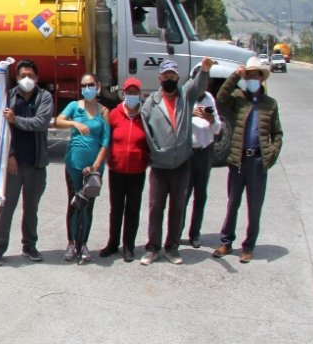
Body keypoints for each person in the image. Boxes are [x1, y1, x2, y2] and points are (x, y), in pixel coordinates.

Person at [139, 57, 215, 265]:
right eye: (166, 75)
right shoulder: (151, 103)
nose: (169, 78)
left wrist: (205, 69)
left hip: (181, 164)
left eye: (173, 75)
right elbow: (147, 131)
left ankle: (172, 247)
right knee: (156, 206)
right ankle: (152, 247)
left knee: (177, 206)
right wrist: (156, 151)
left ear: (177, 77)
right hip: (159, 165)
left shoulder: (186, 96)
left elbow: (198, 85)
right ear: (159, 77)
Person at [213, 56, 283, 263]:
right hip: (238, 160)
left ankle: (248, 246)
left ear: (261, 79)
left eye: (255, 76)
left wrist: (271, 153)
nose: (252, 79)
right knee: (232, 203)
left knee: (254, 206)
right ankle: (226, 242)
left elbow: (277, 133)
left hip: (257, 162)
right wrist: (235, 75)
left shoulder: (270, 104)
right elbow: (220, 97)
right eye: (249, 76)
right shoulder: (238, 98)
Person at [0, 59, 52, 266]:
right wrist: (10, 155)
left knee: (31, 208)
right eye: (23, 76)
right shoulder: (8, 96)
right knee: (6, 208)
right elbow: (0, 129)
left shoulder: (45, 97)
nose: (27, 79)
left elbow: (41, 123)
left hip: (36, 163)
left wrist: (16, 119)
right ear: (17, 78)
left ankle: (29, 246)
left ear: (37, 78)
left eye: (30, 76)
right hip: (14, 165)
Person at [55, 73, 110, 264]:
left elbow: (105, 142)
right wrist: (74, 123)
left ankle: (83, 244)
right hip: (73, 165)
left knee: (88, 207)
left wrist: (95, 166)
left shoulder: (103, 112)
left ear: (98, 86)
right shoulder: (74, 107)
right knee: (74, 203)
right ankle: (71, 243)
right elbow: (57, 121)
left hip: (93, 169)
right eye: (84, 85)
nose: (88, 88)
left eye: (91, 84)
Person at [100, 78, 149, 262]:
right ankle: (113, 243)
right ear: (123, 93)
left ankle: (129, 246)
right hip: (117, 169)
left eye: (135, 92)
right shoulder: (114, 114)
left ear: (140, 94)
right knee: (116, 208)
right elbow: (106, 138)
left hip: (137, 170)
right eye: (129, 92)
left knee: (133, 209)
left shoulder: (145, 115)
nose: (132, 95)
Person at [182, 86, 222, 248]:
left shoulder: (209, 99)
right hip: (188, 152)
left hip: (205, 152)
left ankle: (195, 234)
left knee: (200, 195)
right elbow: (175, 121)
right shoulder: (185, 97)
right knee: (183, 195)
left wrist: (211, 119)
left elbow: (218, 127)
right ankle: (177, 232)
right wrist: (188, 114)